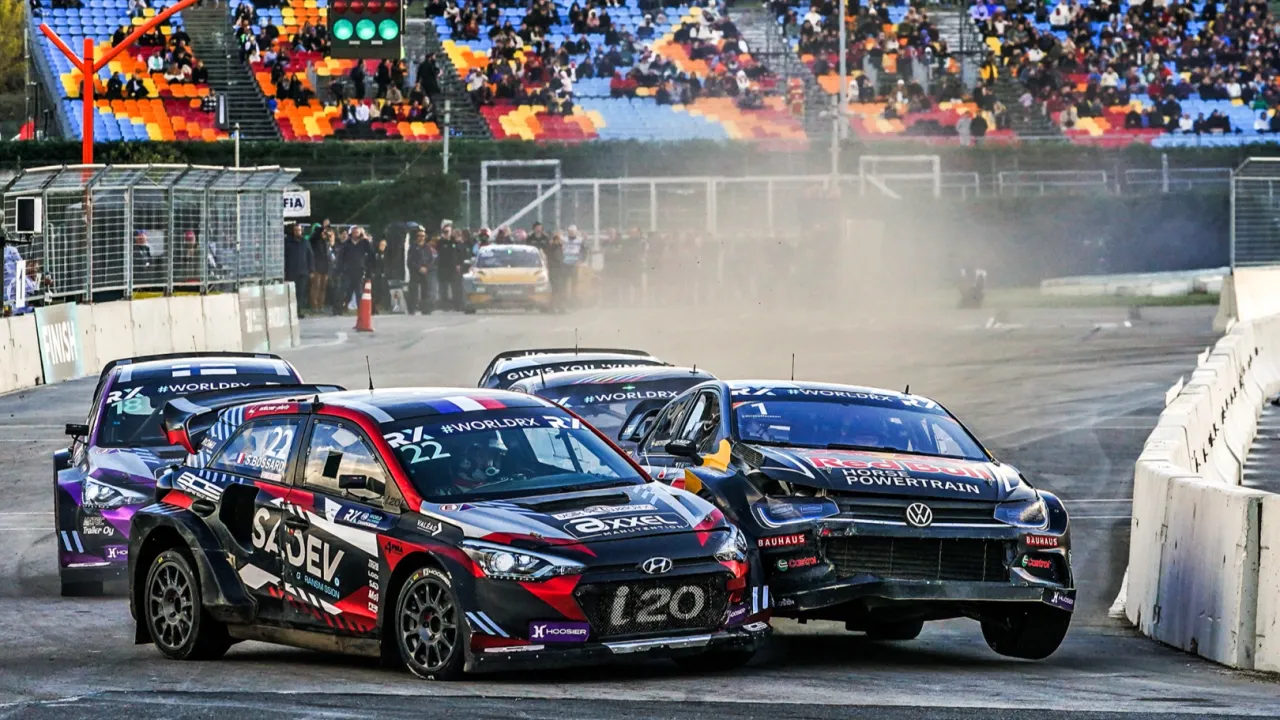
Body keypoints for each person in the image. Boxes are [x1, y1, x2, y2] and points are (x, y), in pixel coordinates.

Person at [284, 222, 312, 313]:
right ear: (293, 231)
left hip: (303, 272)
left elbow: (310, 256)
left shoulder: (305, 242)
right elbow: (285, 256)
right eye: (295, 230)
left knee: (301, 293)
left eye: (299, 230)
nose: (297, 232)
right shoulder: (288, 242)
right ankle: (291, 311)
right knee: (292, 293)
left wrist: (311, 270)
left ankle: (299, 311)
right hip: (291, 272)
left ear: (301, 231)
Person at [406, 228, 433, 315]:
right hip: (415, 272)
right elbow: (410, 261)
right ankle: (412, 309)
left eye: (423, 236)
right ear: (417, 237)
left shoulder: (427, 247)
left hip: (425, 272)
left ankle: (426, 309)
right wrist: (419, 268)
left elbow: (431, 260)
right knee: (413, 291)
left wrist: (427, 268)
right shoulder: (412, 247)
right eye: (419, 236)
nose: (421, 238)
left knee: (426, 291)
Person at [545, 232, 567, 312]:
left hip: (556, 271)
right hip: (555, 272)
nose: (562, 241)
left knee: (557, 290)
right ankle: (556, 307)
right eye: (561, 240)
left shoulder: (555, 247)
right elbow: (559, 259)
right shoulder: (555, 248)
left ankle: (555, 307)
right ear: (556, 240)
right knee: (557, 290)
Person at [370, 238, 391, 313]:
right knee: (376, 292)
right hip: (377, 276)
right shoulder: (376, 254)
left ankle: (385, 306)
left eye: (383, 245)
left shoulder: (388, 255)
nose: (382, 246)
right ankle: (375, 307)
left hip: (385, 276)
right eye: (381, 245)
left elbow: (389, 265)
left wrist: (385, 272)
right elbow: (373, 264)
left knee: (385, 291)